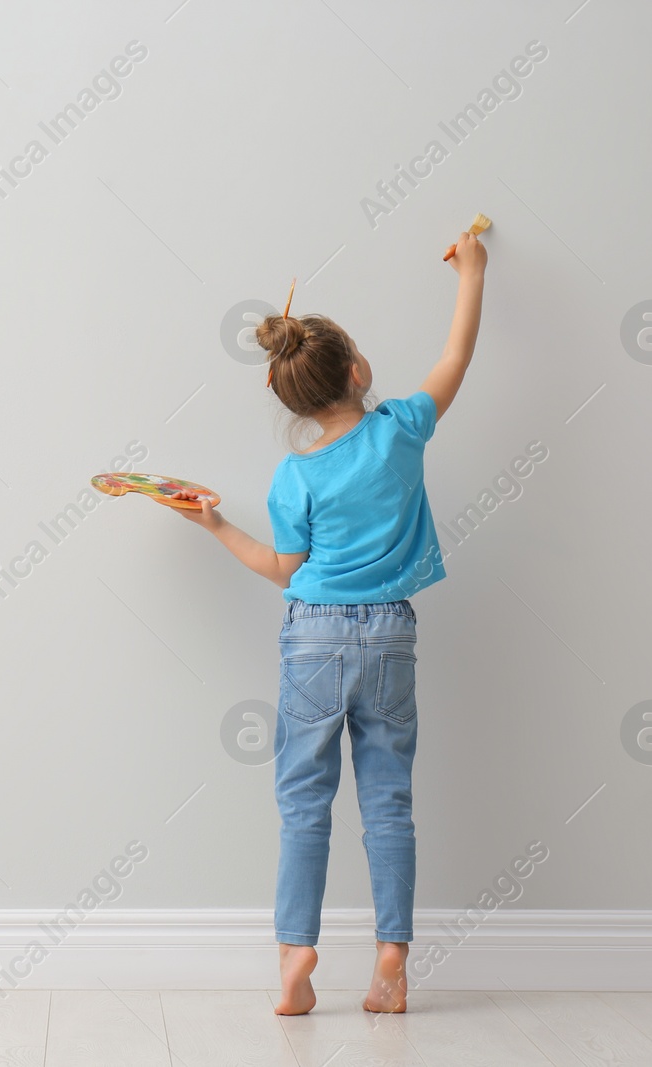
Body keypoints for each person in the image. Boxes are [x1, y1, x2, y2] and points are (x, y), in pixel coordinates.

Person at [164, 229, 488, 1014]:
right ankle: (390, 958)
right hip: (389, 638)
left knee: (303, 800)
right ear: (357, 369)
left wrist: (214, 524)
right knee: (388, 802)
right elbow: (456, 357)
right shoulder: (402, 429)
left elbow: (281, 569)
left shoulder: (294, 475)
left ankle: (296, 952)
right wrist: (472, 271)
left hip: (311, 635)